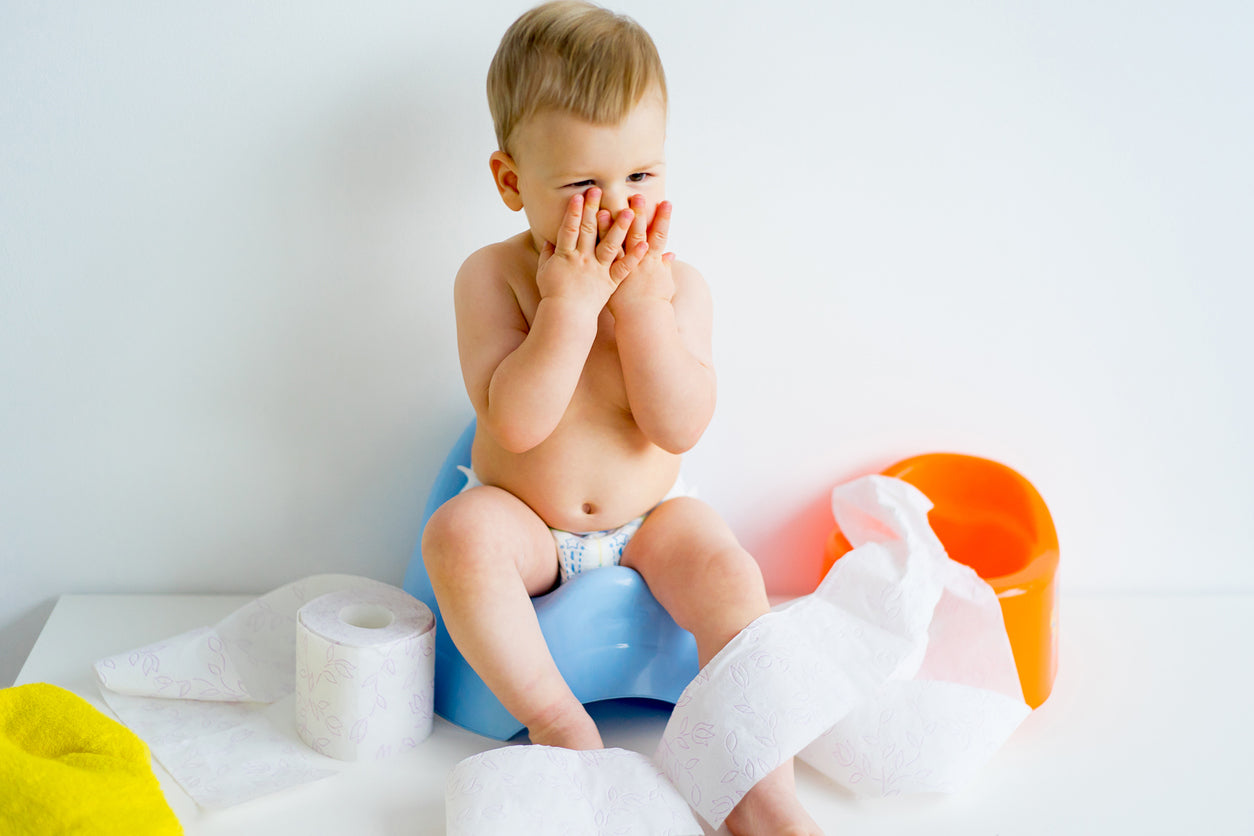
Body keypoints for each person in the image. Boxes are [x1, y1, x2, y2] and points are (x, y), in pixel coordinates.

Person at [422, 3, 822, 833]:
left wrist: (643, 316)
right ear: (511, 183)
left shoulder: (680, 289)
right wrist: (567, 311)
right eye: (580, 186)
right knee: (458, 538)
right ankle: (559, 725)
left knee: (731, 575)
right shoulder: (492, 279)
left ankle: (759, 782)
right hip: (530, 526)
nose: (616, 209)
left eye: (640, 178)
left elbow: (678, 428)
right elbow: (518, 423)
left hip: (648, 524)